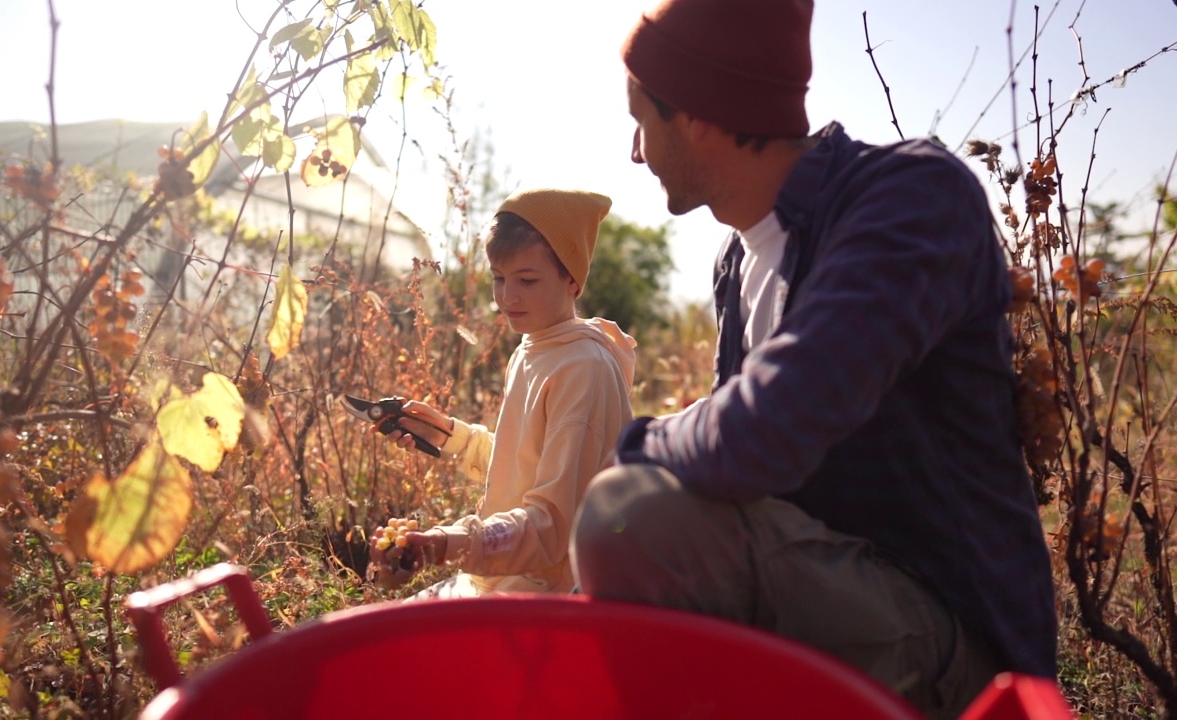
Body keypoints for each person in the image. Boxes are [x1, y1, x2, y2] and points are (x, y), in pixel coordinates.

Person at [568, 1, 1057, 717]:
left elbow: (760, 436)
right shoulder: (737, 262)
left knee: (629, 517)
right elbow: (727, 481)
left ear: (700, 115)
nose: (635, 151)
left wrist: (637, 446)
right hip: (831, 600)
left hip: (962, 661)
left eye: (642, 121)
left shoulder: (910, 197)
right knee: (631, 526)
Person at [369, 187, 636, 599]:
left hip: (545, 597)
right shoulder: (533, 347)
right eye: (498, 278)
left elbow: (551, 527)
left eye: (527, 280)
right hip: (501, 578)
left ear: (573, 280)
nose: (507, 297)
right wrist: (450, 437)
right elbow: (525, 465)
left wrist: (447, 544)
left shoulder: (583, 369)